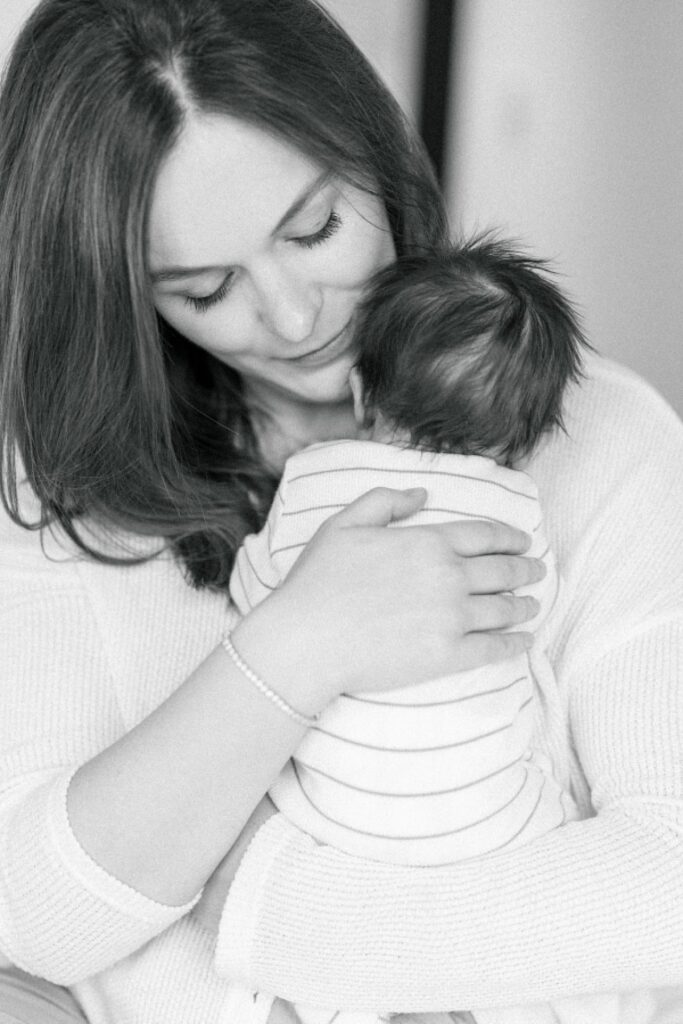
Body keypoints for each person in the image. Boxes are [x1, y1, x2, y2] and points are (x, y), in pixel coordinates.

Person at [0, 2, 681, 1024]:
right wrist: (297, 646)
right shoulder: (61, 492)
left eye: (313, 228)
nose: (291, 317)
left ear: (378, 157)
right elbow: (34, 917)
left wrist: (264, 908)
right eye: (204, 289)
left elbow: (668, 882)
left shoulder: (603, 439)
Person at [229, 241, 623, 1024]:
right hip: (489, 824)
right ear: (522, 441)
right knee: (546, 776)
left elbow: (258, 600)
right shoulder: (517, 506)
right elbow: (531, 610)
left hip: (337, 824)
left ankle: (342, 1005)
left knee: (284, 812)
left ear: (359, 391)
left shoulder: (312, 480)